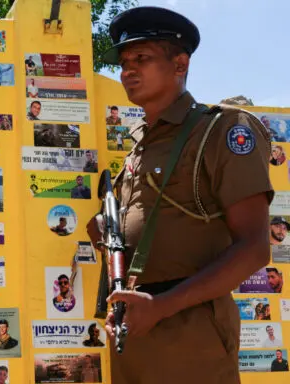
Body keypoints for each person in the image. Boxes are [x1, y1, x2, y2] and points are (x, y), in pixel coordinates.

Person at [89, 6, 273, 383]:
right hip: (134, 329)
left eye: (141, 58)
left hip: (191, 331)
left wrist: (161, 306)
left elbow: (255, 248)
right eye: (123, 62)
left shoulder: (220, 130)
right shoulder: (138, 147)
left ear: (180, 65)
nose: (128, 70)